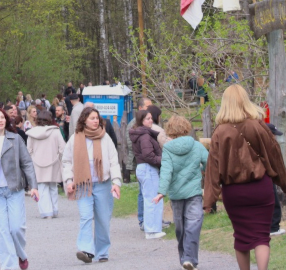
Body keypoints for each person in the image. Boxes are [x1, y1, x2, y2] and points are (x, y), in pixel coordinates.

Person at [204, 84, 286, 270]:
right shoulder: (258, 126)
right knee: (261, 236)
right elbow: (275, 155)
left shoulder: (219, 132)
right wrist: (284, 184)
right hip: (260, 188)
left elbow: (213, 167)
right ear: (245, 100)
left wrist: (209, 200)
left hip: (233, 191)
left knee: (241, 237)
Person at [0, 108, 39, 270]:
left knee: (16, 228)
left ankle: (21, 254)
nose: (0, 120)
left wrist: (33, 186)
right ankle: (9, 266)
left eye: (2, 118)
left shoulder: (16, 139)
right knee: (2, 231)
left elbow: (26, 163)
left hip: (14, 189)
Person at [62, 107, 122, 263]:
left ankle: (102, 252)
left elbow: (114, 161)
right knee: (86, 217)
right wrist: (69, 180)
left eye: (97, 118)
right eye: (92, 118)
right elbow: (66, 161)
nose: (96, 121)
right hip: (83, 185)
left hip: (103, 184)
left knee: (102, 219)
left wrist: (116, 182)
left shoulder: (105, 138)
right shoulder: (75, 139)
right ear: (84, 120)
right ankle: (87, 251)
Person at [153, 115, 209, 270]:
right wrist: (204, 171)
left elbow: (166, 172)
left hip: (176, 195)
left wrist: (161, 192)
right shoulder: (197, 146)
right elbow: (209, 163)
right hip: (194, 193)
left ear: (170, 131)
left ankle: (185, 258)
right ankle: (189, 259)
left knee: (180, 227)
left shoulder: (167, 150)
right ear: (186, 128)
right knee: (194, 223)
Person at [130, 109, 165, 239]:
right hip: (148, 168)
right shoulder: (144, 136)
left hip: (144, 167)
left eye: (151, 118)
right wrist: (163, 160)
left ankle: (152, 227)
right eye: (147, 119)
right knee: (152, 199)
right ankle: (151, 230)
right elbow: (148, 155)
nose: (151, 120)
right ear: (141, 121)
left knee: (150, 198)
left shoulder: (144, 133)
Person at [26, 109, 66, 219]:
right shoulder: (56, 131)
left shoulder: (32, 133)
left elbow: (28, 150)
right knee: (53, 187)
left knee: (42, 188)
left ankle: (46, 212)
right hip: (53, 162)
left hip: (37, 164)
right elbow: (63, 148)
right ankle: (54, 210)